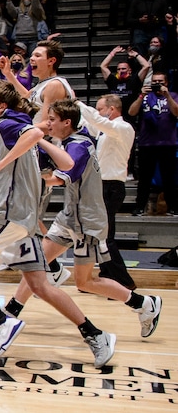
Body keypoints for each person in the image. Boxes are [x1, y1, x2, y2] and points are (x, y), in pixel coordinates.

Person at [0, 81, 116, 368]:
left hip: (10, 218)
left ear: (1, 105)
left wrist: (22, 149)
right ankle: (95, 334)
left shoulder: (11, 127)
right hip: (15, 224)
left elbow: (53, 151)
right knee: (35, 284)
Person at [6, 98, 163, 340]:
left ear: (66, 122)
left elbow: (59, 178)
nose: (48, 123)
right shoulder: (68, 142)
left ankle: (143, 304)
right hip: (70, 217)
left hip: (87, 223)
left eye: (52, 120)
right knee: (35, 263)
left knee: (85, 282)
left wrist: (29, 172)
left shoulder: (79, 146)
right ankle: (11, 312)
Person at [76, 95, 136, 290]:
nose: (99, 112)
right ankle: (107, 276)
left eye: (101, 108)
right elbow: (89, 123)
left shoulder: (123, 128)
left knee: (106, 237)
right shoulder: (104, 132)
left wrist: (77, 103)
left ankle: (123, 281)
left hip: (112, 186)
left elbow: (96, 120)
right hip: (102, 185)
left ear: (111, 109)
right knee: (100, 235)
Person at [127, 72, 178, 216]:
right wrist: (141, 96)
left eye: (160, 81)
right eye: (155, 81)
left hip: (168, 143)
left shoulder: (173, 95)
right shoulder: (145, 97)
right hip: (147, 143)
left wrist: (167, 96)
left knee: (169, 177)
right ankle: (139, 207)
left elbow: (176, 112)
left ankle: (173, 207)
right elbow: (131, 112)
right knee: (144, 178)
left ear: (166, 83)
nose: (157, 84)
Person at [0, 39, 74, 125]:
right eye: (32, 55)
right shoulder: (42, 85)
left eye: (37, 56)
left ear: (51, 61)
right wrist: (8, 74)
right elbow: (26, 97)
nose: (31, 58)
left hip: (51, 138)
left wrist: (19, 130)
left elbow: (48, 125)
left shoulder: (54, 85)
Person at [99, 46, 150, 118]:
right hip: (114, 116)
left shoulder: (135, 80)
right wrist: (113, 52)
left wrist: (136, 55)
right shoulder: (113, 81)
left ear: (129, 70)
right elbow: (103, 66)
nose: (121, 71)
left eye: (123, 69)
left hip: (131, 115)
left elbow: (146, 66)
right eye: (119, 69)